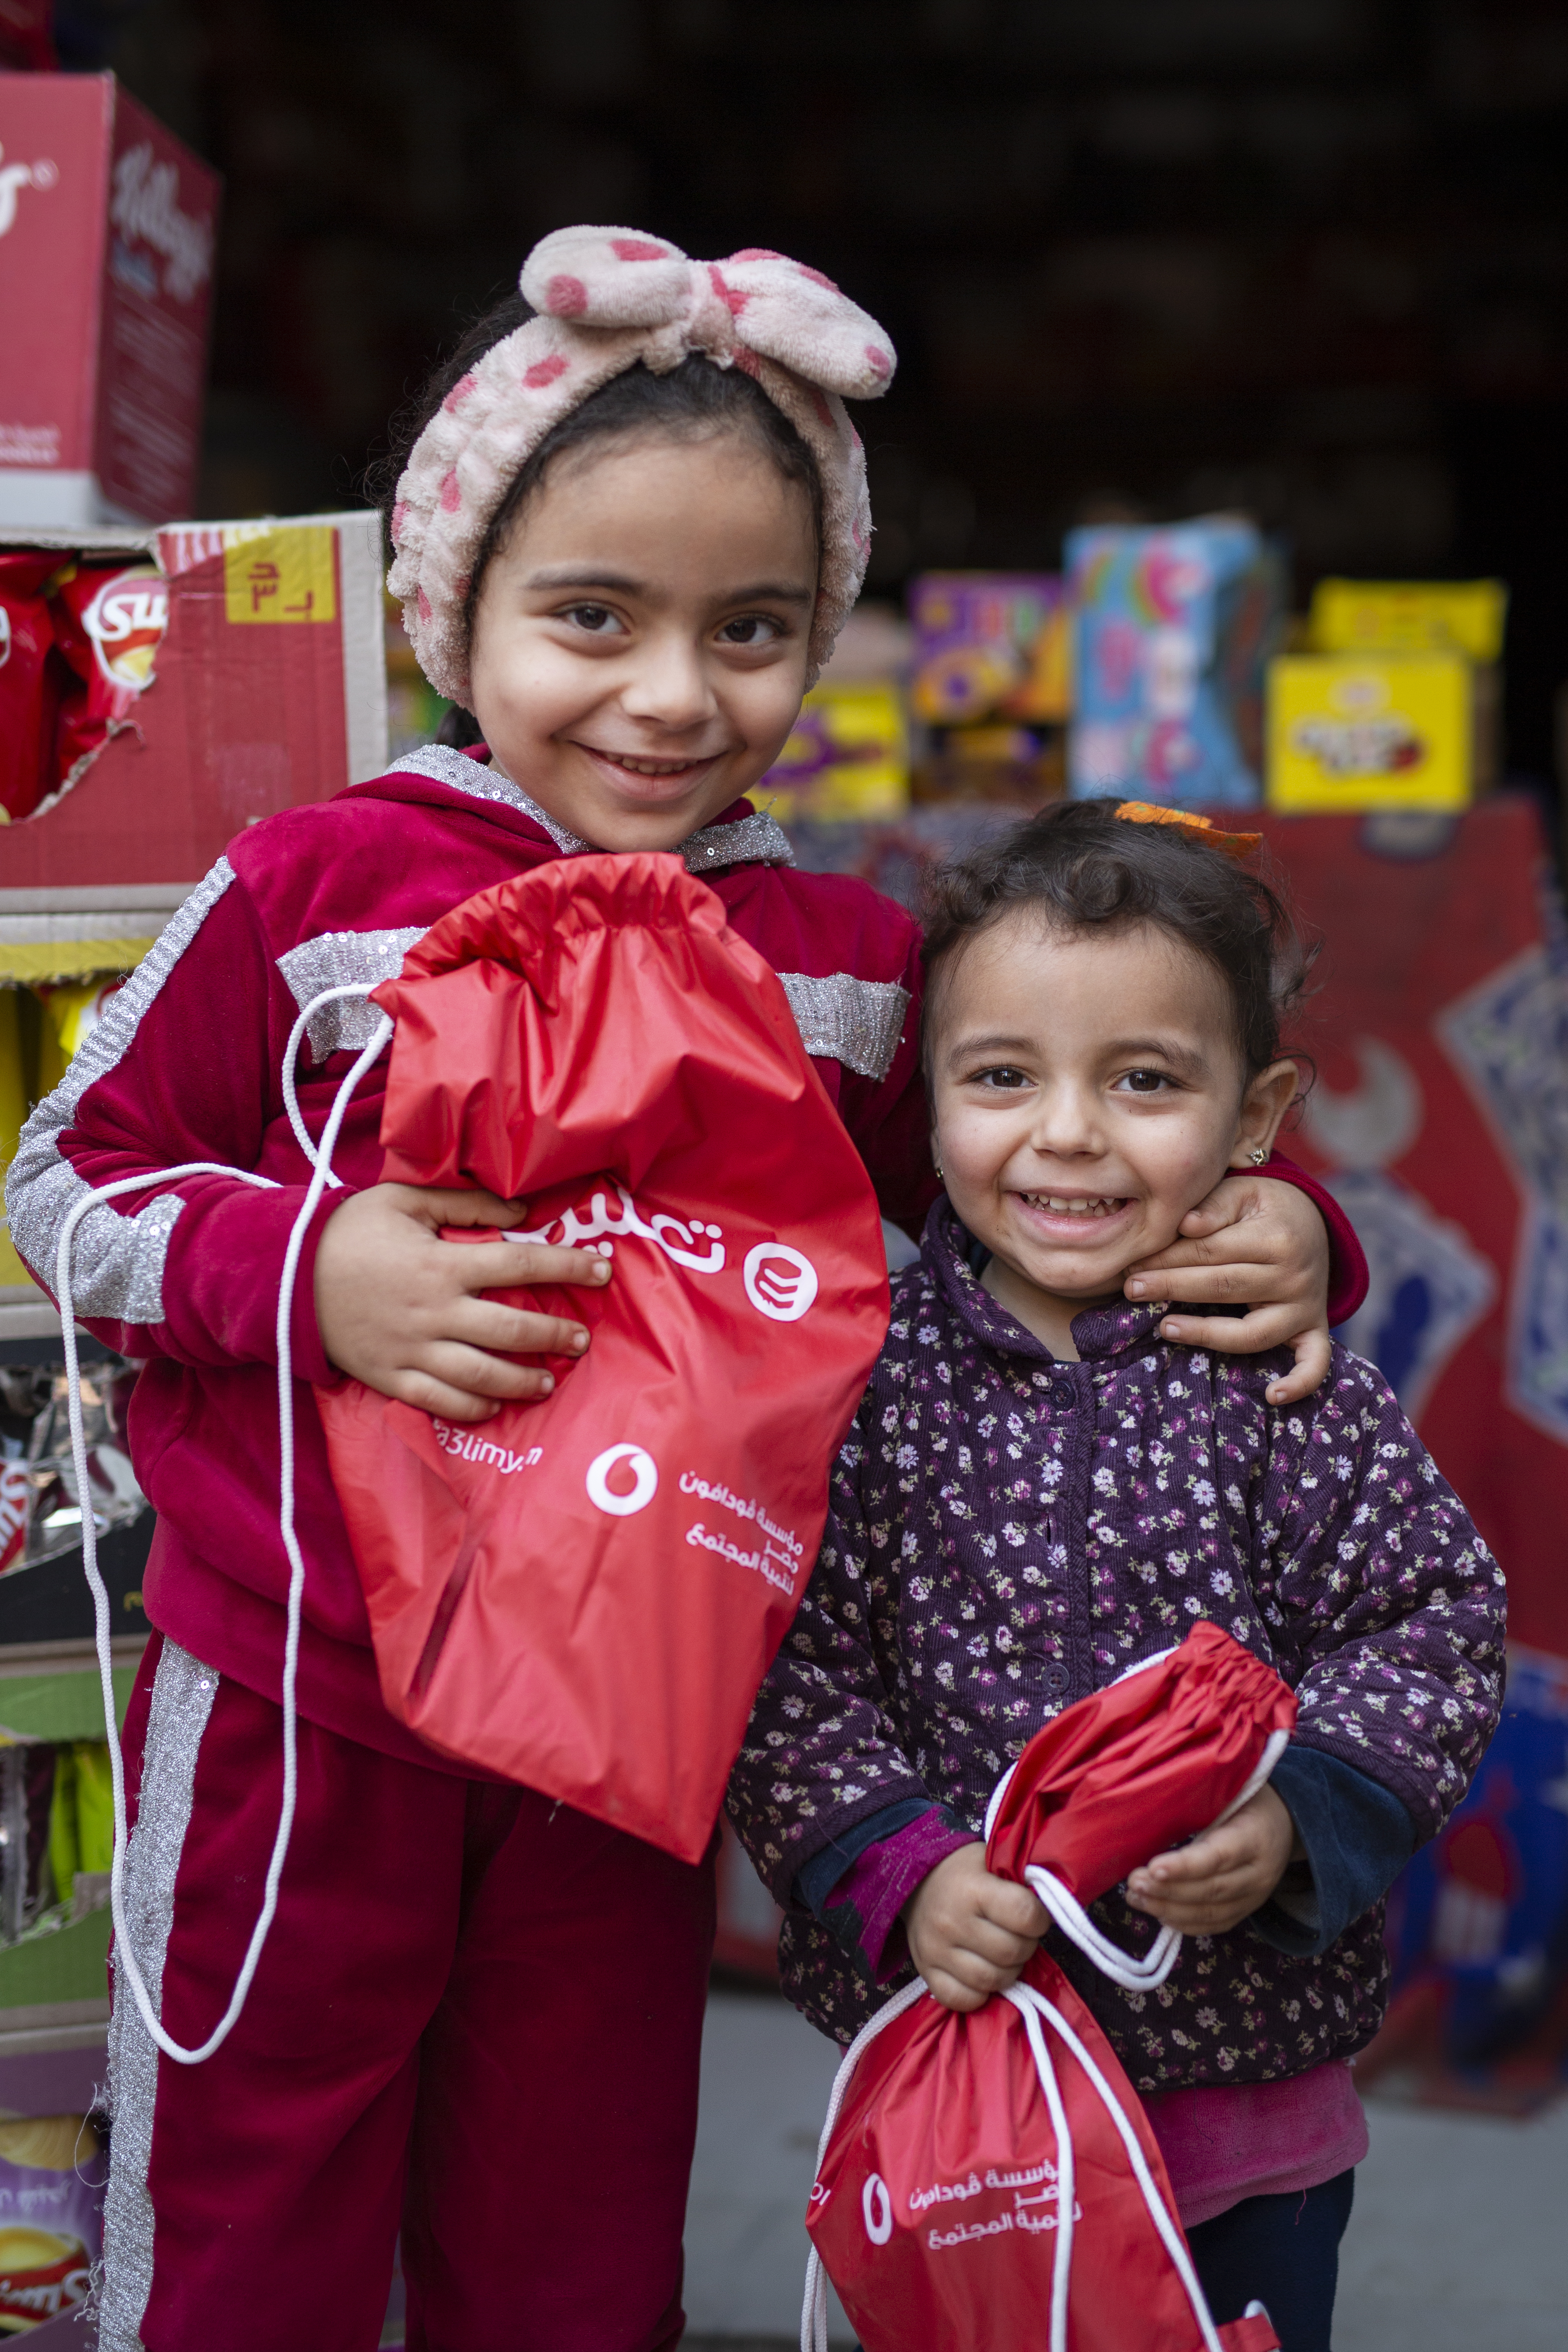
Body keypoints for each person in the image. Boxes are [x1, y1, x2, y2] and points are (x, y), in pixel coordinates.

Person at [7, 231, 1362, 2352]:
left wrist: (1280, 1229)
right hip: (302, 1703)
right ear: (456, 611)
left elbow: (1043, 1182)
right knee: (251, 2205)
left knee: (569, 2238)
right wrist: (309, 1260)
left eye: (750, 628)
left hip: (632, 1741)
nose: (669, 693)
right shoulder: (309, 886)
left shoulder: (847, 957)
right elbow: (62, 1179)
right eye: (590, 616)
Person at [727, 800, 1504, 2352]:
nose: (1068, 1131)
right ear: (927, 1100)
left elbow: (1433, 1618)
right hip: (965, 2112)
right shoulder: (861, 1388)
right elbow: (782, 1660)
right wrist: (902, 1871)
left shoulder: (1283, 1384)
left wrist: (1295, 1816)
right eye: (1003, 1076)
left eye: (1145, 1080)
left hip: (1249, 2123)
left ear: (1258, 1108)